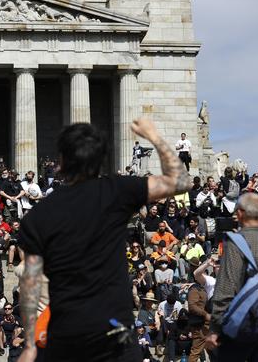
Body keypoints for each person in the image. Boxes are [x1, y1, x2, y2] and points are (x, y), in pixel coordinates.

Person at [17, 118, 193, 362]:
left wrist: (29, 344)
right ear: (101, 160)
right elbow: (181, 181)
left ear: (61, 161)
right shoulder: (117, 191)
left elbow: (30, 284)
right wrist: (154, 136)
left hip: (67, 332)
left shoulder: (37, 216)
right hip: (115, 329)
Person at [206, 193, 258, 360]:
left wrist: (215, 329)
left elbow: (226, 289)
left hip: (243, 325)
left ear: (240, 214)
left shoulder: (237, 242)